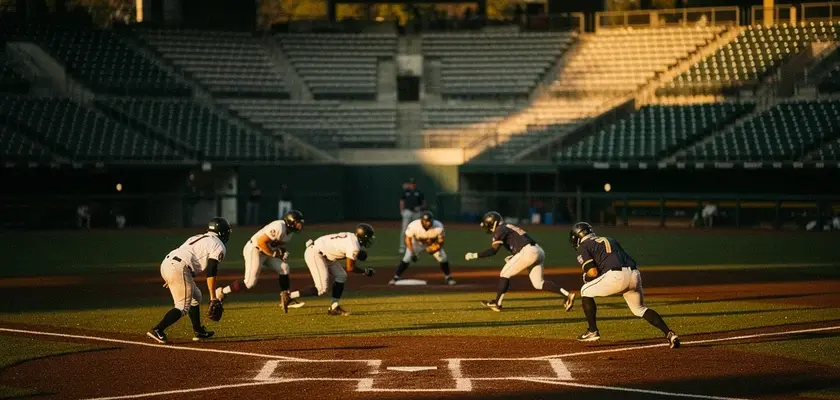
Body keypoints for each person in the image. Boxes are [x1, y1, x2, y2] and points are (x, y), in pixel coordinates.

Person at [569, 222, 680, 348]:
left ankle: (592, 330)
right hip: (634, 274)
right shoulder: (610, 239)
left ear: (577, 236)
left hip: (617, 276)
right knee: (640, 309)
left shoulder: (583, 246)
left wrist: (587, 276)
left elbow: (593, 272)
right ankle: (669, 333)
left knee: (585, 290)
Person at [464, 211, 575, 312]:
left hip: (528, 252)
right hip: (537, 250)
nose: (487, 228)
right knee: (538, 283)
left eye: (487, 225)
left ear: (492, 223)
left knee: (504, 273)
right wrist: (515, 256)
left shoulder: (500, 229)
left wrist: (474, 255)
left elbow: (493, 251)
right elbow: (519, 241)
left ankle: (497, 303)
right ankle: (567, 295)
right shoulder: (508, 226)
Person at [146, 217, 230, 344]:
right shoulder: (219, 245)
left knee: (196, 296)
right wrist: (213, 297)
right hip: (180, 267)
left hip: (168, 263)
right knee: (182, 307)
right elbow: (211, 269)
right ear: (223, 232)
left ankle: (198, 331)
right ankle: (158, 329)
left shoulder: (198, 237)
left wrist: (172, 276)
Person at [215, 210, 305, 310]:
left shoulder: (289, 235)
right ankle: (222, 292)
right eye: (298, 223)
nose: (300, 225)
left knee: (284, 267)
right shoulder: (279, 226)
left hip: (265, 252)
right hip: (255, 249)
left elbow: (274, 246)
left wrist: (282, 252)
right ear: (291, 222)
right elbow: (261, 242)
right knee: (250, 283)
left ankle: (286, 297)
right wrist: (274, 254)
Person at [281, 224, 376, 316]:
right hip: (316, 253)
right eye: (368, 237)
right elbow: (350, 268)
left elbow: (338, 249)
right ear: (363, 236)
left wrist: (356, 255)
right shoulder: (354, 246)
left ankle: (334, 307)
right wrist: (366, 271)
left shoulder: (352, 236)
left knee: (341, 276)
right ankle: (289, 296)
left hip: (325, 253)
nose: (369, 240)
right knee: (321, 289)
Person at [389, 211, 456, 285]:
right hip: (417, 244)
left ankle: (448, 277)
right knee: (407, 257)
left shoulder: (438, 226)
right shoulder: (414, 225)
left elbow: (441, 241)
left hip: (432, 244)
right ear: (422, 221)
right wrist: (413, 252)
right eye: (426, 221)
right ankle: (396, 277)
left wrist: (435, 248)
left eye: (429, 221)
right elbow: (408, 239)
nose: (428, 223)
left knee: (443, 257)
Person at [399, 178, 426, 254]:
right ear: (409, 184)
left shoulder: (419, 192)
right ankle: (402, 247)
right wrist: (401, 211)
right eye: (411, 183)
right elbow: (402, 201)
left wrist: (420, 208)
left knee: (418, 230)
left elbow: (424, 203)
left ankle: (419, 247)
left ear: (415, 184)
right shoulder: (405, 191)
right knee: (404, 230)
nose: (412, 185)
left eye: (413, 183)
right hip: (407, 211)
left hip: (416, 212)